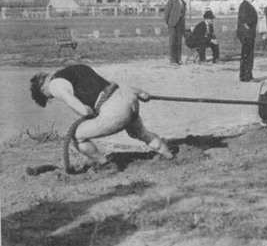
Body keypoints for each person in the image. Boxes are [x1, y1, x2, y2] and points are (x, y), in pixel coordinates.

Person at [29, 64, 173, 169]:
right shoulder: (76, 68)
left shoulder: (55, 86)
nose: (51, 98)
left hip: (114, 109)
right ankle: (167, 155)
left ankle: (105, 164)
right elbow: (107, 85)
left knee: (76, 136)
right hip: (126, 96)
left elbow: (85, 111)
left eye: (47, 97)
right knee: (141, 133)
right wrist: (139, 92)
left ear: (42, 88)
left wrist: (87, 114)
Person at [163, 0, 188, 65]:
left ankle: (178, 59)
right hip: (173, 24)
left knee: (179, 42)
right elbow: (166, 13)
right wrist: (168, 23)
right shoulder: (172, 1)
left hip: (180, 25)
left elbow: (183, 15)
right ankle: (173, 60)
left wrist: (183, 26)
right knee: (173, 42)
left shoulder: (184, 3)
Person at [237, 0, 258, 82]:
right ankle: (246, 76)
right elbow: (244, 20)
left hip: (247, 33)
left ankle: (246, 75)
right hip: (247, 34)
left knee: (247, 55)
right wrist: (249, 27)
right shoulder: (245, 6)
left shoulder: (246, 5)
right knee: (247, 56)